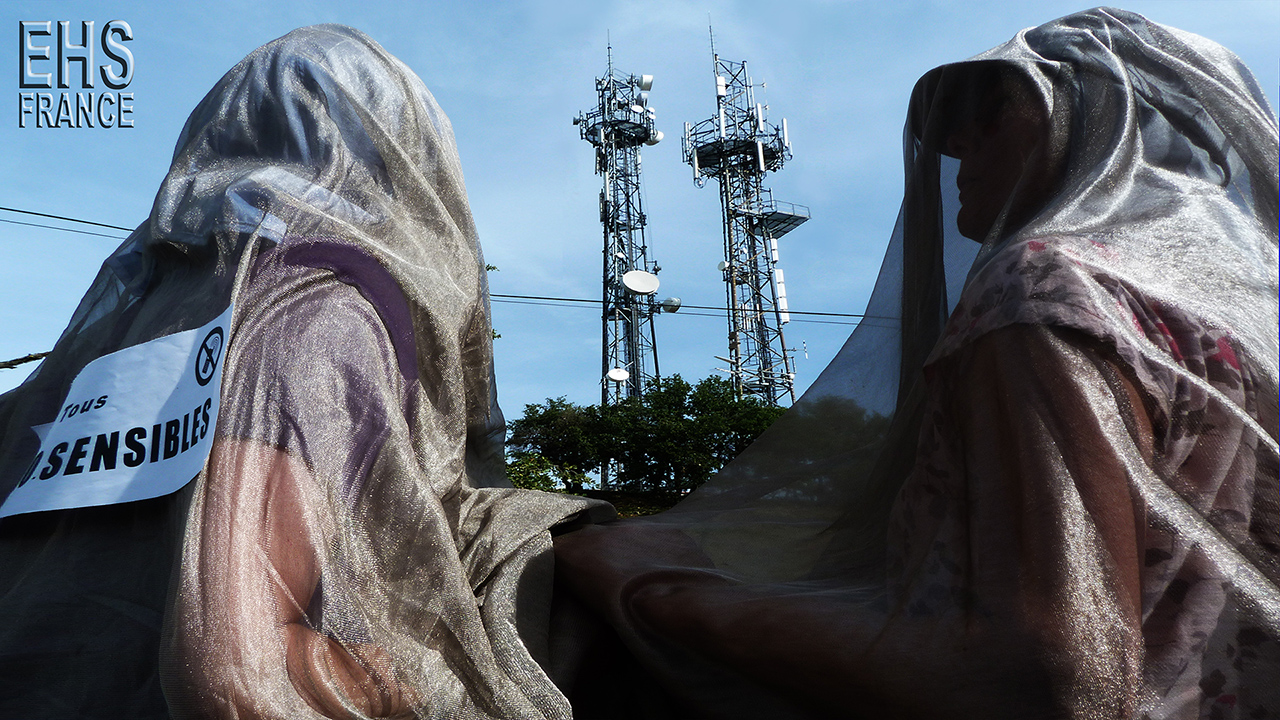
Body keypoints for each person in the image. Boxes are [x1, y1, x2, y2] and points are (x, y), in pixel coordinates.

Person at [554, 8, 1279, 719]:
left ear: (1106, 119)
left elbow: (1037, 677)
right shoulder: (1241, 328)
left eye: (993, 109)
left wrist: (658, 589)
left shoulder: (1046, 288)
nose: (957, 143)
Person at [0, 26, 610, 719]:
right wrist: (423, 682)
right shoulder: (312, 314)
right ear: (398, 158)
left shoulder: (120, 341)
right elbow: (242, 673)